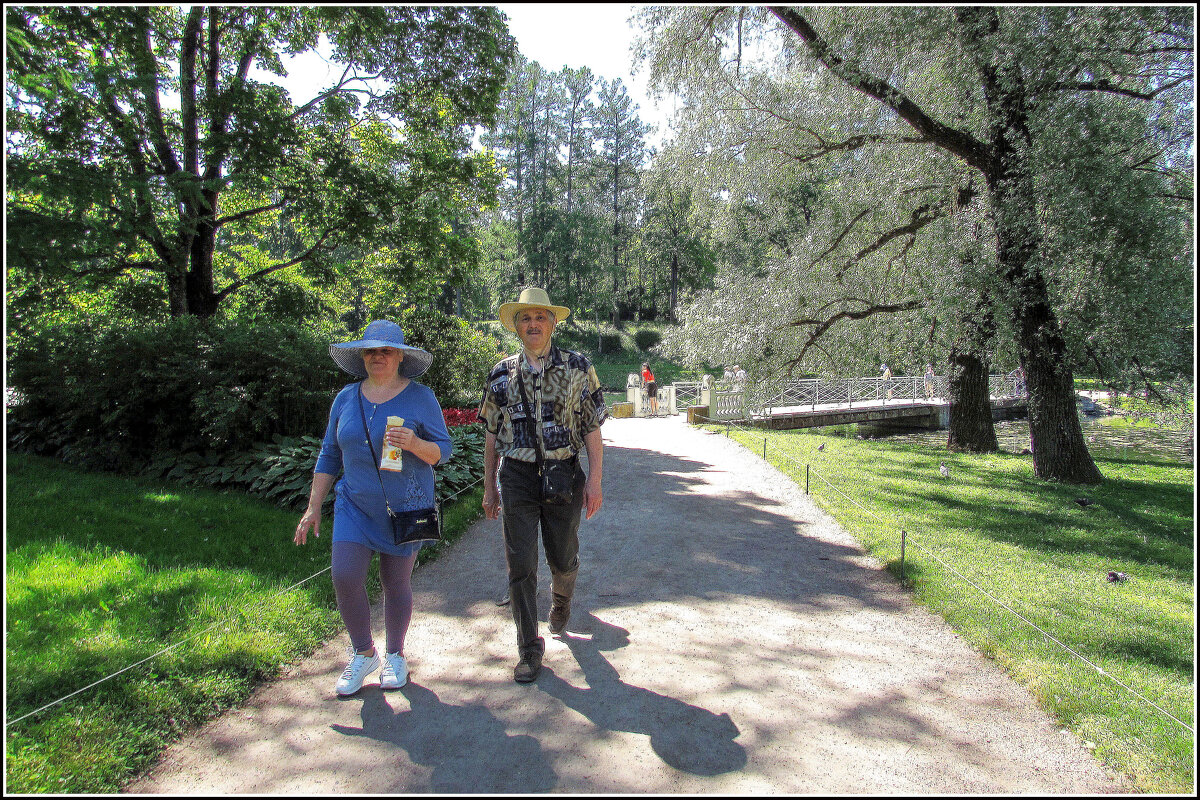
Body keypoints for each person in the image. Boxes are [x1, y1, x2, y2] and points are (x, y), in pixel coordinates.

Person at [295, 320, 453, 696]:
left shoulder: (420, 397)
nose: (377, 356)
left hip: (405, 506)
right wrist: (313, 505)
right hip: (355, 504)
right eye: (371, 351)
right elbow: (330, 453)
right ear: (362, 357)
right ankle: (364, 653)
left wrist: (415, 443)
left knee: (395, 582)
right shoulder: (346, 398)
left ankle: (395, 655)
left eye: (385, 351)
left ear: (399, 357)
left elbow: (442, 451)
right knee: (345, 576)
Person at [478, 287, 607, 684]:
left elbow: (593, 428)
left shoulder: (578, 366)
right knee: (520, 566)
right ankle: (528, 650)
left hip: (564, 474)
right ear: (516, 326)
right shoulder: (501, 373)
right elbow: (490, 434)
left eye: (540, 317)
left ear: (553, 323)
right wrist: (489, 487)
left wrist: (595, 481)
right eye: (525, 318)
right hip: (516, 477)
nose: (533, 324)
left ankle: (562, 600)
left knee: (563, 557)